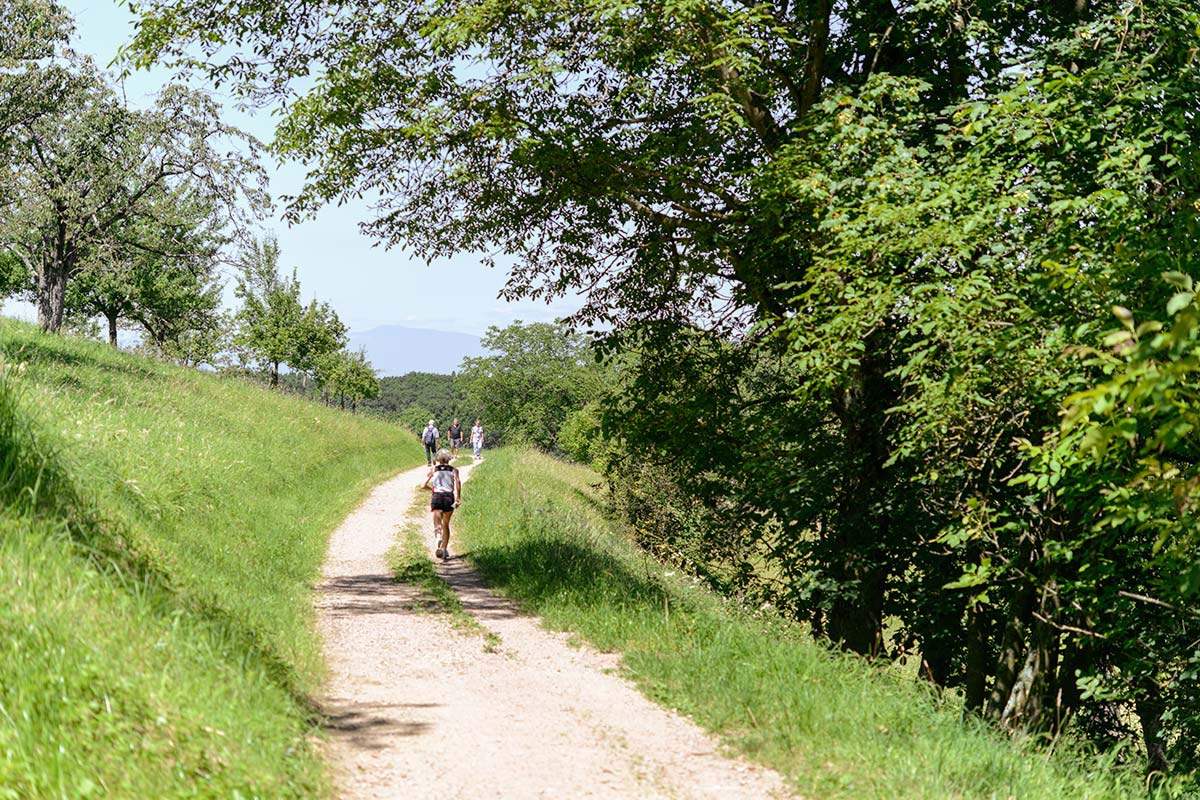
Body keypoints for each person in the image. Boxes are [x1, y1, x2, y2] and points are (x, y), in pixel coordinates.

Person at [422, 449, 461, 560]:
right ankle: (444, 549)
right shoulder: (454, 470)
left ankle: (438, 537)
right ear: (449, 459)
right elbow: (458, 483)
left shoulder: (433, 469)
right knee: (446, 524)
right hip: (449, 497)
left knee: (437, 523)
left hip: (437, 497)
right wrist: (458, 498)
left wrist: (432, 489)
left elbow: (423, 485)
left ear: (438, 459)